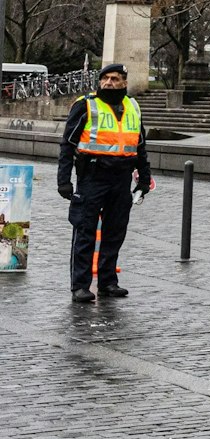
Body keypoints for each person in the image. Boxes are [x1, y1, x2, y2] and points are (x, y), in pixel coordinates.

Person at [56, 63, 153, 303]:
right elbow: (67, 144)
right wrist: (63, 180)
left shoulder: (133, 106)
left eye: (115, 79)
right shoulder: (86, 105)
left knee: (114, 233)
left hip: (121, 178)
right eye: (105, 79)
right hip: (92, 177)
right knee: (85, 231)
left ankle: (108, 282)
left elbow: (140, 146)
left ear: (124, 83)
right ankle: (80, 285)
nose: (109, 83)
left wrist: (145, 178)